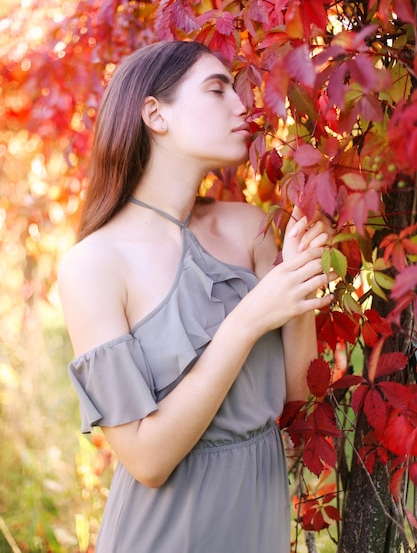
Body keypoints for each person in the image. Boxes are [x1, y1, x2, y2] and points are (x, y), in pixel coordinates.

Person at [58, 40, 335, 553]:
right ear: (155, 114)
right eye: (217, 89)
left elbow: (299, 402)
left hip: (258, 520)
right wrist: (249, 316)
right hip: (163, 533)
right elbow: (147, 460)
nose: (242, 105)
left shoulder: (251, 226)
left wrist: (297, 281)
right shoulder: (93, 264)